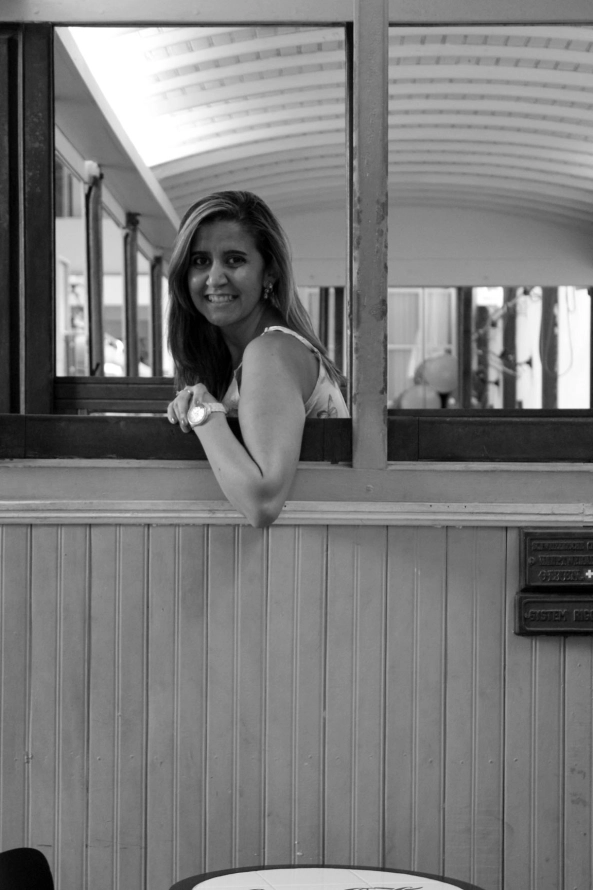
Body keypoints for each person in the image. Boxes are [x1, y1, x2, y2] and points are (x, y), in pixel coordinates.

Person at [166, 191, 349, 527]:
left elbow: (263, 503)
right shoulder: (242, 354)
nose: (215, 278)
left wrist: (202, 413)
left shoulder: (270, 351)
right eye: (200, 261)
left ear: (270, 273)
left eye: (234, 260)